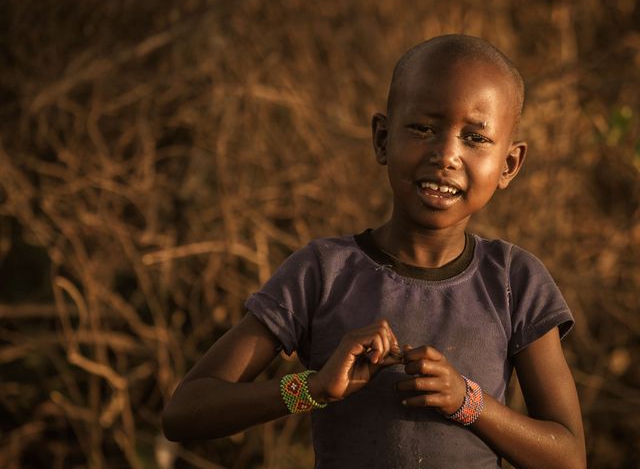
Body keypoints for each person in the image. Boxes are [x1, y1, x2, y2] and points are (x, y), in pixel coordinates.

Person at [162, 34, 586, 468]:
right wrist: (311, 388)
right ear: (382, 139)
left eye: (475, 138)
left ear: (509, 165)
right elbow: (185, 412)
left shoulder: (515, 281)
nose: (446, 155)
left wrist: (469, 402)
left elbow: (569, 456)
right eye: (423, 128)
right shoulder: (323, 273)